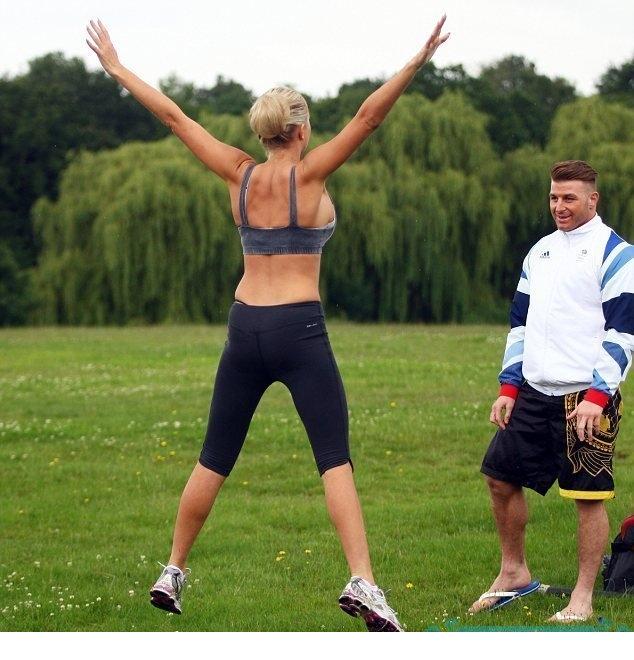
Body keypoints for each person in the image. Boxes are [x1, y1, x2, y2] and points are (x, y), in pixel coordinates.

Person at [86, 16, 449, 632]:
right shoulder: (309, 175)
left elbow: (174, 118)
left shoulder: (238, 172)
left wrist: (118, 69)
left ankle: (173, 568)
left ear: (265, 130)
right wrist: (416, 61)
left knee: (214, 455)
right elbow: (368, 118)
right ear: (302, 127)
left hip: (244, 328)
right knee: (334, 458)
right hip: (299, 330)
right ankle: (363, 581)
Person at [470, 160, 633, 622]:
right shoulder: (539, 252)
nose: (559, 207)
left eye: (569, 198)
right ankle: (514, 574)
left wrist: (598, 397)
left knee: (588, 498)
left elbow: (623, 332)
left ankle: (581, 598)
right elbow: (520, 322)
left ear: (592, 199)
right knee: (500, 478)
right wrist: (509, 385)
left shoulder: (616, 254)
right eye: (553, 198)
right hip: (533, 391)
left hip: (584, 398)